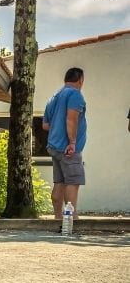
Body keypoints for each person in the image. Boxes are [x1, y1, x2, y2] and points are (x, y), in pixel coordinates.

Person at [42, 67, 86, 224]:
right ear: (80, 80)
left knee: (59, 182)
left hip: (54, 146)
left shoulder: (54, 97)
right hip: (68, 149)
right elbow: (71, 119)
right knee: (72, 183)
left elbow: (45, 125)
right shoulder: (75, 94)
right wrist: (72, 143)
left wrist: (58, 127)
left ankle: (57, 218)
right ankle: (70, 220)